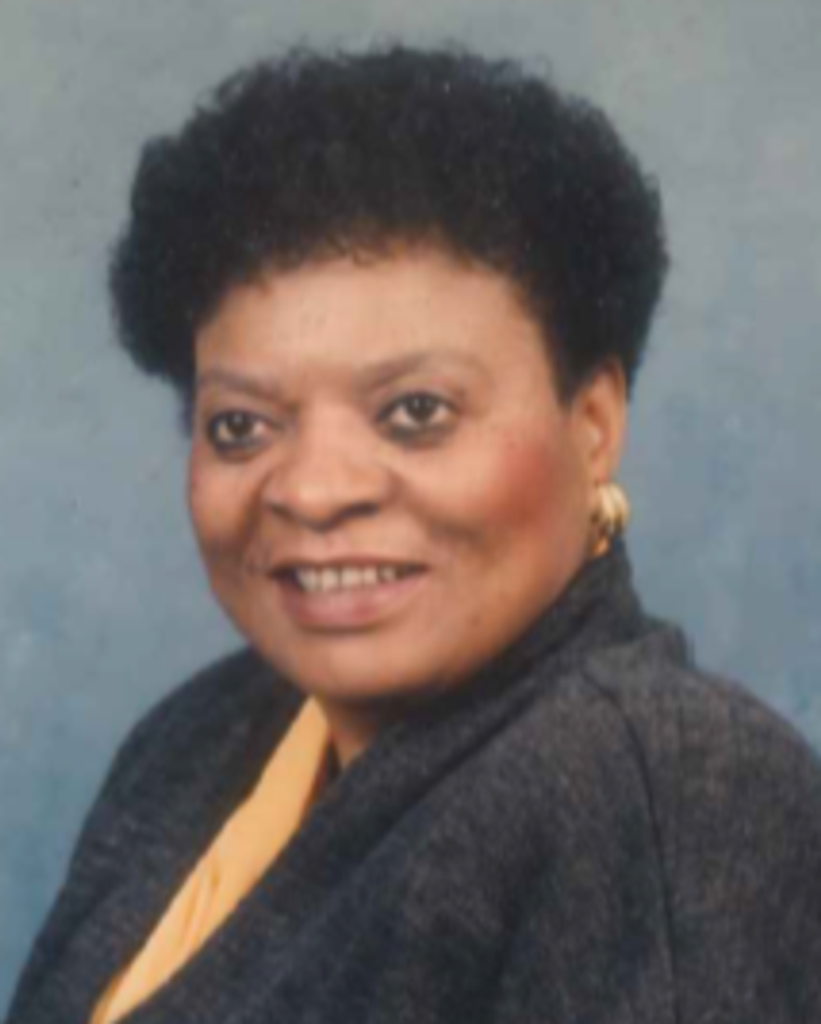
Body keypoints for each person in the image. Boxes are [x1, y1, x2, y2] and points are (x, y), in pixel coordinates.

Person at [7, 45, 821, 1024]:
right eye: (242, 426)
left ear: (592, 424)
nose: (312, 490)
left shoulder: (668, 785)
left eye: (415, 411)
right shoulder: (204, 736)